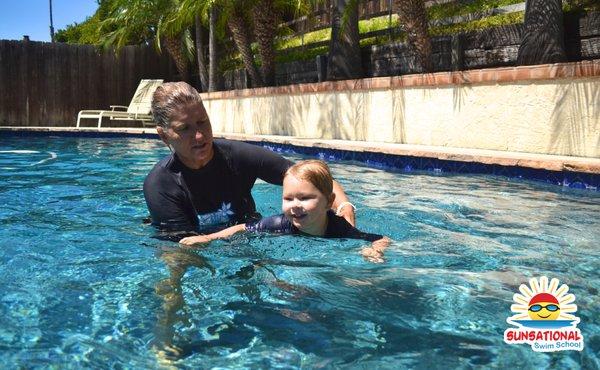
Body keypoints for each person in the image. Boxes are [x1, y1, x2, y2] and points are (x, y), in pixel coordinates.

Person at [143, 82, 355, 235]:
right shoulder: (160, 185)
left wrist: (344, 206)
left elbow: (312, 177)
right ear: (163, 135)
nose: (199, 136)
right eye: (185, 129)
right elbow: (182, 251)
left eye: (202, 122)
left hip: (251, 235)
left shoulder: (237, 156)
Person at [180, 160, 390, 262]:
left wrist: (374, 250)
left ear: (328, 203)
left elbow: (381, 238)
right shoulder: (280, 224)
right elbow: (242, 227)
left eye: (305, 198)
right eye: (288, 198)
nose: (295, 205)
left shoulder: (338, 228)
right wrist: (208, 238)